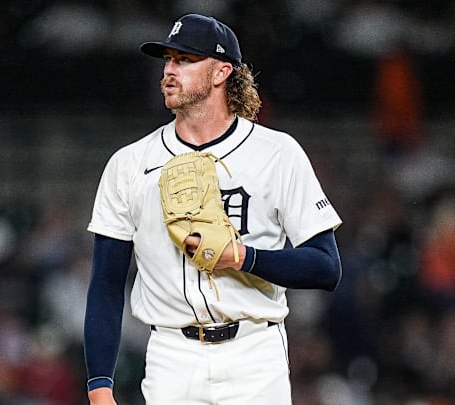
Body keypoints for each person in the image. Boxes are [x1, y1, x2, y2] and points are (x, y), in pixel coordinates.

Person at [84, 13, 343, 405]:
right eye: (168, 60)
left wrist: (243, 257)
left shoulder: (276, 153)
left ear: (222, 72)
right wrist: (99, 385)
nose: (169, 70)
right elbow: (106, 282)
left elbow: (326, 267)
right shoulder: (129, 163)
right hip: (172, 356)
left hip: (255, 351)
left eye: (185, 60)